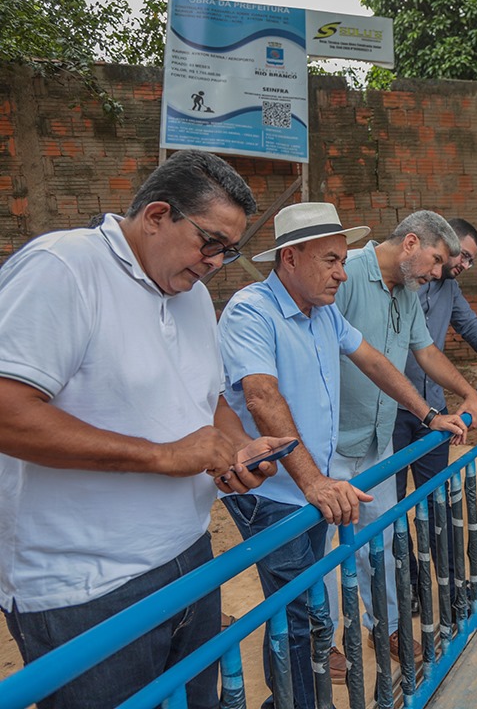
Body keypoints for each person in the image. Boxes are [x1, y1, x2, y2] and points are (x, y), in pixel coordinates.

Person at [0, 150, 284, 709]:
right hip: (86, 591)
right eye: (211, 242)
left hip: (189, 559)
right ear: (157, 215)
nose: (215, 262)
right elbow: (8, 408)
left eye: (229, 251)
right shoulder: (64, 267)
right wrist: (160, 455)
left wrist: (237, 449)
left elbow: (207, 403)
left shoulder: (193, 295)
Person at [219, 202, 454, 704]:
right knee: (298, 610)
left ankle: (294, 696)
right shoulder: (250, 310)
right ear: (290, 258)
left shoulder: (324, 314)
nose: (341, 273)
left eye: (344, 260)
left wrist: (430, 414)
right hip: (274, 493)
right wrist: (313, 481)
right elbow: (261, 396)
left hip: (309, 487)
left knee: (302, 607)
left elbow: (374, 361)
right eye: (330, 260)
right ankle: (295, 699)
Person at [331, 210, 477, 662]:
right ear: (411, 243)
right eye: (436, 261)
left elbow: (426, 351)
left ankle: (389, 629)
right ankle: (333, 641)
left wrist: (466, 390)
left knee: (381, 543)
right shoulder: (348, 276)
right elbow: (360, 359)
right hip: (332, 445)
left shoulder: (407, 292)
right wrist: (430, 413)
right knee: (327, 553)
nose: (438, 274)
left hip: (379, 443)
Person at [393, 218, 477, 627]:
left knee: (441, 507)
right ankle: (410, 594)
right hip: (393, 413)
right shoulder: (403, 283)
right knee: (397, 513)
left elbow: (472, 329)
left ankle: (458, 598)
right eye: (462, 256)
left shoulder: (448, 288)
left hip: (433, 411)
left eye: (469, 258)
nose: (464, 264)